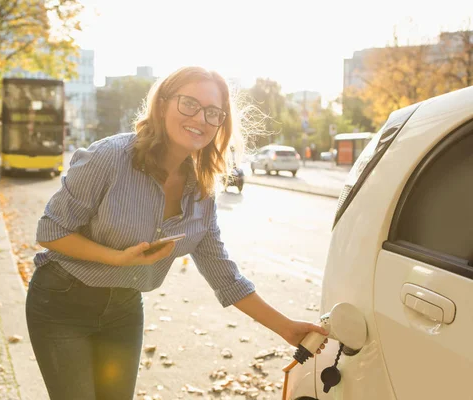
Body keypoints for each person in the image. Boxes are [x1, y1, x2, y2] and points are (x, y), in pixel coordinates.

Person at [25, 66, 328, 400]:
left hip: (123, 310)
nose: (200, 118)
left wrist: (286, 328)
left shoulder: (202, 189)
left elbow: (224, 276)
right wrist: (117, 258)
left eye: (213, 113)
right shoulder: (108, 158)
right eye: (189, 104)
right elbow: (50, 231)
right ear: (163, 104)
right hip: (62, 302)